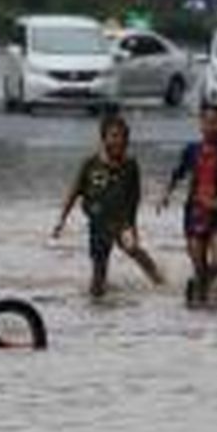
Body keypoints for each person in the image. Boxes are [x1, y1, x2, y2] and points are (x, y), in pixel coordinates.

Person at [52, 111, 164, 297]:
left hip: (121, 222)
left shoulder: (130, 165)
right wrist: (61, 220)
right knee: (98, 275)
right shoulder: (90, 163)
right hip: (98, 224)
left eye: (123, 137)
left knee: (133, 249)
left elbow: (134, 198)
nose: (119, 141)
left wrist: (132, 226)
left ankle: (160, 281)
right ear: (103, 138)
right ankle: (99, 306)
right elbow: (73, 193)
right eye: (114, 136)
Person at [159, 104, 217, 307]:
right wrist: (166, 194)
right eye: (206, 122)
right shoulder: (191, 151)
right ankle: (198, 297)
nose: (210, 127)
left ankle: (212, 299)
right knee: (198, 265)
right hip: (194, 214)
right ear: (200, 125)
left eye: (215, 123)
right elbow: (178, 174)